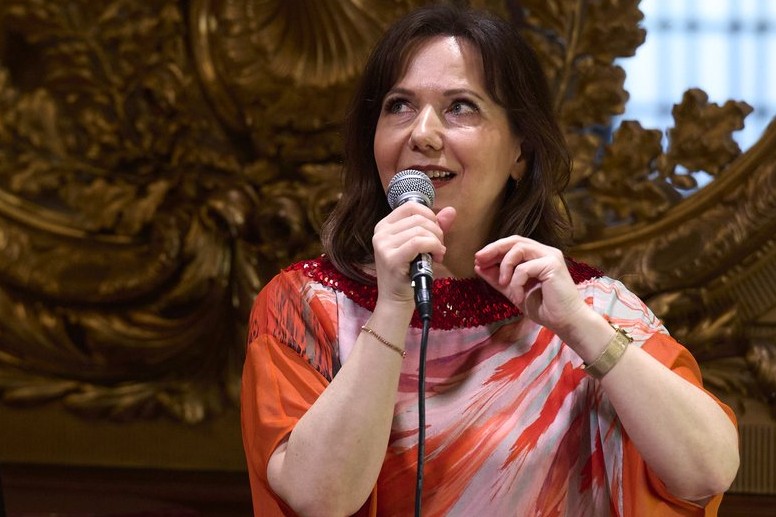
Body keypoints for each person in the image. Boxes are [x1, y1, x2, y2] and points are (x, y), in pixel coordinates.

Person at [240, 4, 739, 516]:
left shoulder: (590, 305)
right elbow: (320, 499)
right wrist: (392, 307)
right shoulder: (305, 305)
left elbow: (708, 470)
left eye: (460, 107)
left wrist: (579, 326)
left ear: (520, 151)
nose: (422, 133)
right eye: (399, 106)